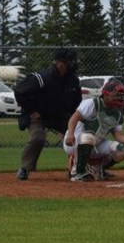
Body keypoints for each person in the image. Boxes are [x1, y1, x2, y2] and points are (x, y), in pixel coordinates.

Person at [64, 79, 124, 182]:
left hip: (94, 144)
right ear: (105, 94)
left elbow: (119, 136)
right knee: (88, 137)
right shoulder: (92, 103)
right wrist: (70, 134)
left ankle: (98, 169)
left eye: (121, 95)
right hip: (73, 142)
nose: (119, 98)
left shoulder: (117, 114)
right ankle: (78, 172)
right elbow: (74, 118)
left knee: (120, 150)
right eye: (116, 95)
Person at [13, 47, 82, 180]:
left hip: (60, 117)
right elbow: (19, 91)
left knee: (80, 137)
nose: (72, 64)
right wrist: (32, 111)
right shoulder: (42, 78)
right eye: (69, 61)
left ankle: (81, 168)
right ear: (59, 63)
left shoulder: (73, 80)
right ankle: (25, 168)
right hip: (39, 117)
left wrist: (72, 124)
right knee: (38, 138)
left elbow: (76, 102)